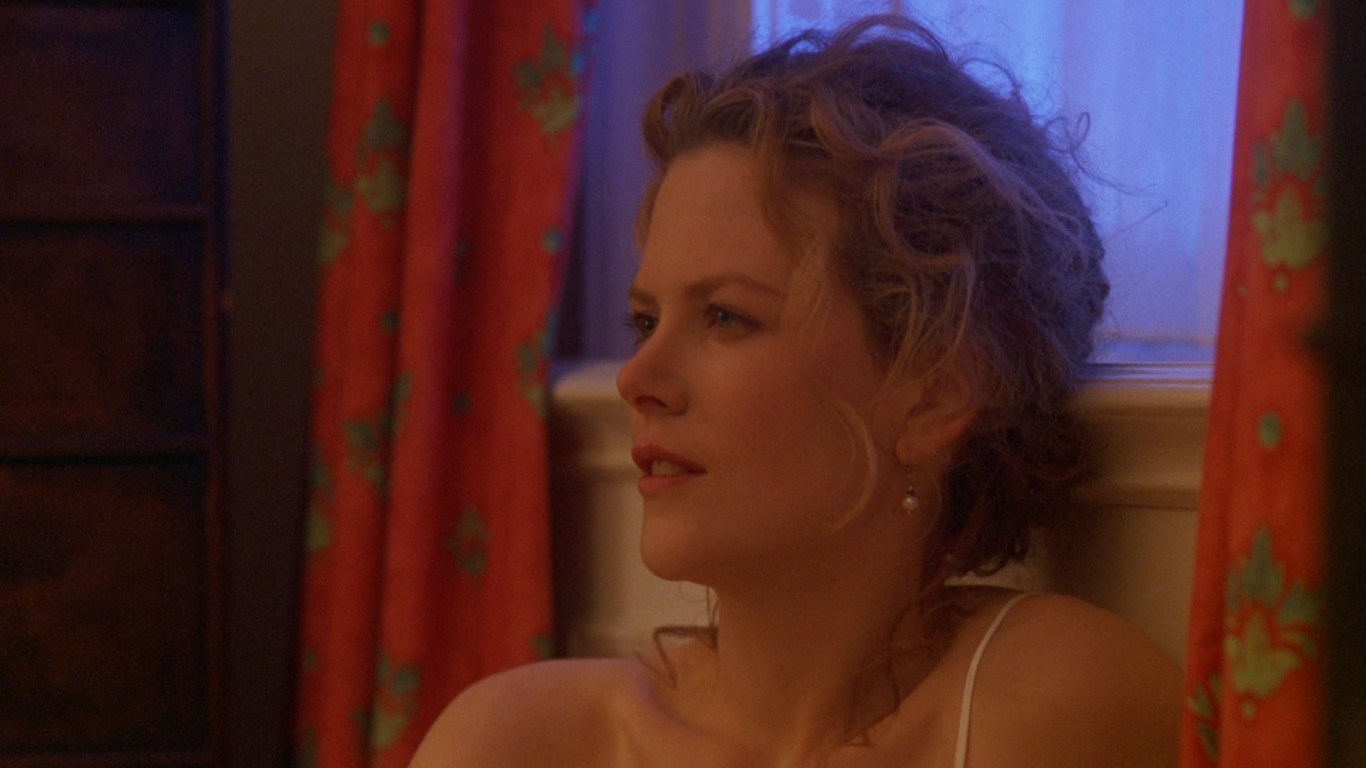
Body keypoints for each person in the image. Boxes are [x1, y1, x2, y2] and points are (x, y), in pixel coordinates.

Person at [410, 14, 1181, 767]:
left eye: (725, 316)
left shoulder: (1051, 700)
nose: (636, 379)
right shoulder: (517, 741)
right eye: (645, 321)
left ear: (934, 395)